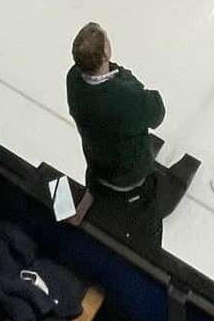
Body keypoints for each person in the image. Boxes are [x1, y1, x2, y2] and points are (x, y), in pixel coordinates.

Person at [66, 22, 165, 206]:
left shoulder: (73, 78)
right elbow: (157, 113)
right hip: (128, 176)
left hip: (97, 164)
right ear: (105, 54)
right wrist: (128, 81)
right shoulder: (125, 98)